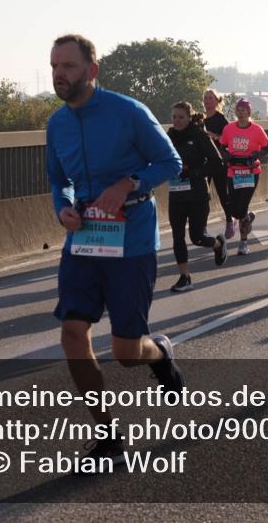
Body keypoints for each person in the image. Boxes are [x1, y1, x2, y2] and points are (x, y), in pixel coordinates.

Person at [46, 33, 184, 467]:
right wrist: (63, 207)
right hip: (84, 239)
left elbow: (170, 162)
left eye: (67, 66)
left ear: (92, 70)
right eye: (54, 66)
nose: (59, 74)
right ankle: (106, 435)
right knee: (72, 332)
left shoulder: (128, 112)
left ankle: (159, 352)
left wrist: (128, 182)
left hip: (132, 240)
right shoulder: (57, 123)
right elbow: (58, 179)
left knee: (126, 353)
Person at [166, 102, 228, 292]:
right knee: (177, 236)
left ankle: (218, 244)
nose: (177, 121)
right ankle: (185, 277)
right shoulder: (168, 137)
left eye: (181, 117)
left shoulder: (199, 135)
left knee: (197, 237)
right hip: (176, 194)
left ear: (189, 118)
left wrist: (194, 173)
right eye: (174, 117)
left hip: (197, 194)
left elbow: (217, 162)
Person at [220, 99, 268, 254]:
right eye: (239, 110)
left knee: (242, 207)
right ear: (235, 112)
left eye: (244, 110)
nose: (241, 113)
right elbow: (222, 147)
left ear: (249, 112)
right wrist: (227, 156)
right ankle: (247, 218)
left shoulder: (257, 129)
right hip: (233, 172)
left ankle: (243, 243)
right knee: (234, 210)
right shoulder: (229, 128)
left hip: (251, 173)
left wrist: (257, 155)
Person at [201, 89, 233, 237]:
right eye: (206, 98)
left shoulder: (221, 119)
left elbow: (228, 141)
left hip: (219, 161)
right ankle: (202, 227)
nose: (208, 101)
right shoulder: (200, 119)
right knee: (203, 195)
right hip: (204, 162)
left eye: (210, 98)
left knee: (223, 194)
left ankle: (229, 221)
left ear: (216, 101)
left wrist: (215, 136)